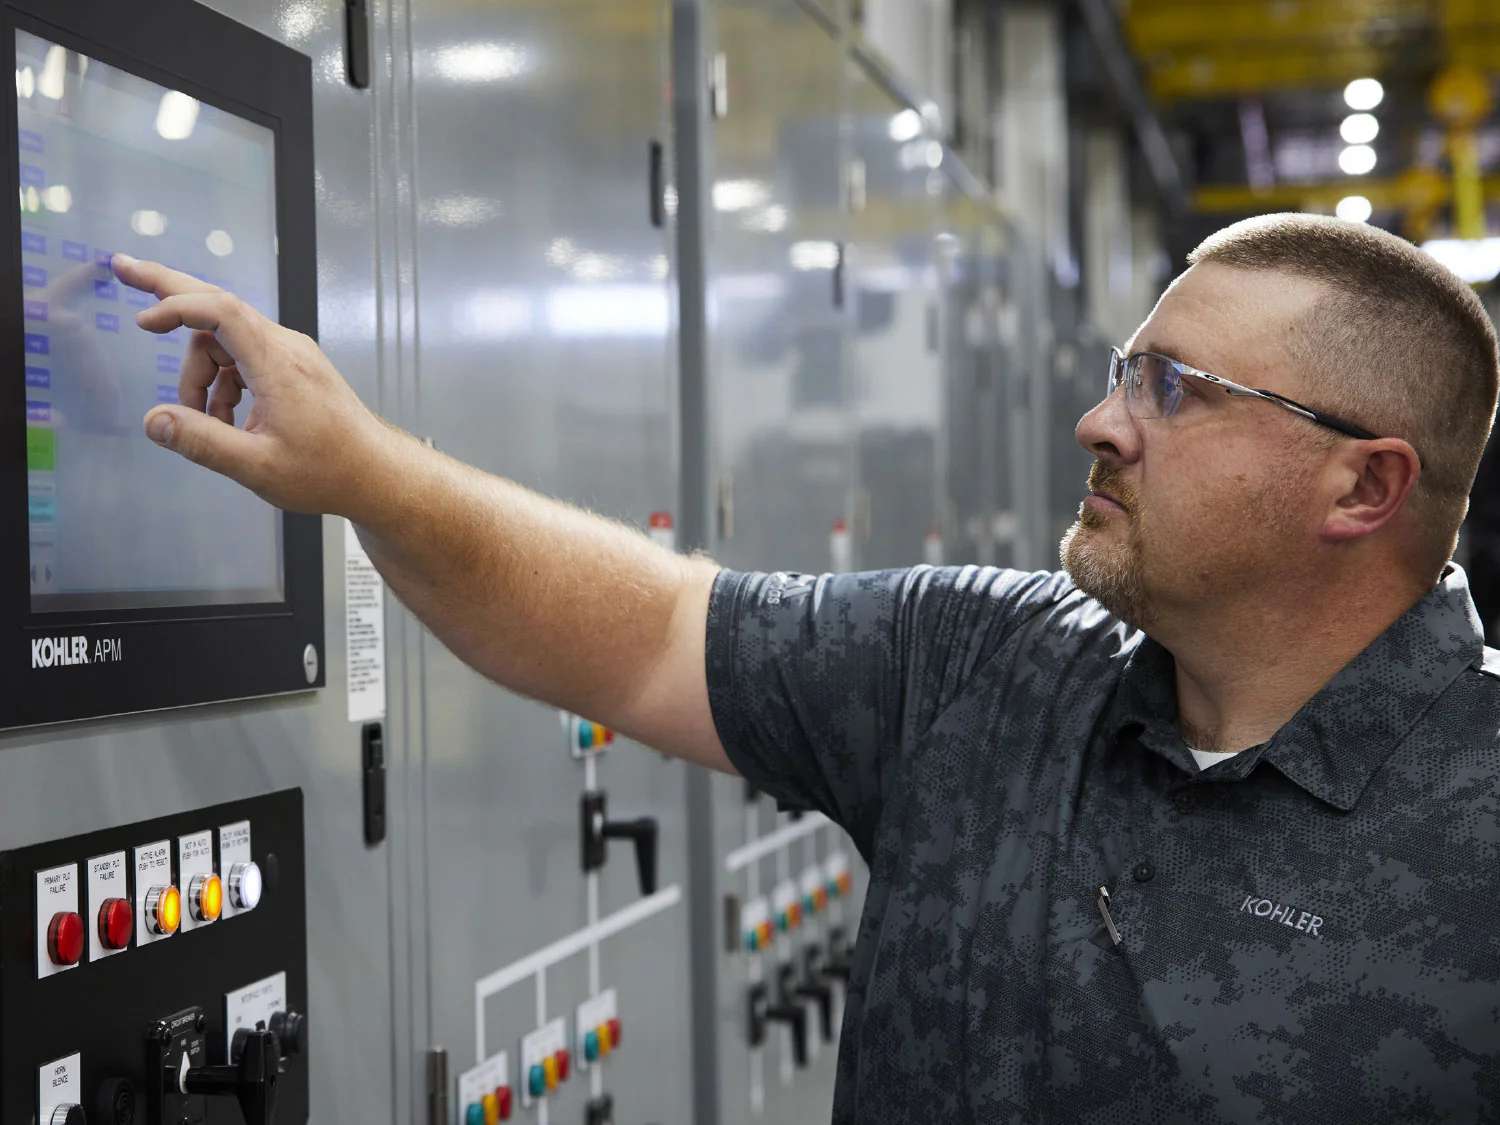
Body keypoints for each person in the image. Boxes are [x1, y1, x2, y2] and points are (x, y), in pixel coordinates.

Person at [110, 211, 1500, 1122]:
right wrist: (366, 475)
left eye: (1175, 391)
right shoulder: (986, 668)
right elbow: (646, 625)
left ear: (1362, 487)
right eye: (1129, 369)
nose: (1102, 421)